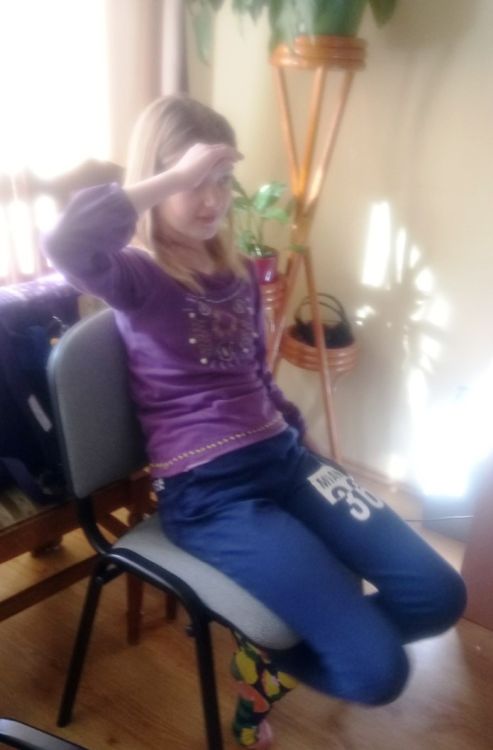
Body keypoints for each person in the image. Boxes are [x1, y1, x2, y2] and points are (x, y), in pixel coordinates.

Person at [44, 94, 466, 749]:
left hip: (286, 463)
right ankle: (272, 665)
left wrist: (308, 446)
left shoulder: (236, 272)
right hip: (212, 494)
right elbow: (67, 243)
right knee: (378, 672)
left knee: (438, 595)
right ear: (158, 176)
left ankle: (278, 659)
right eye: (193, 179)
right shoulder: (138, 275)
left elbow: (257, 378)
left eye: (221, 178)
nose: (212, 197)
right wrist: (173, 178)